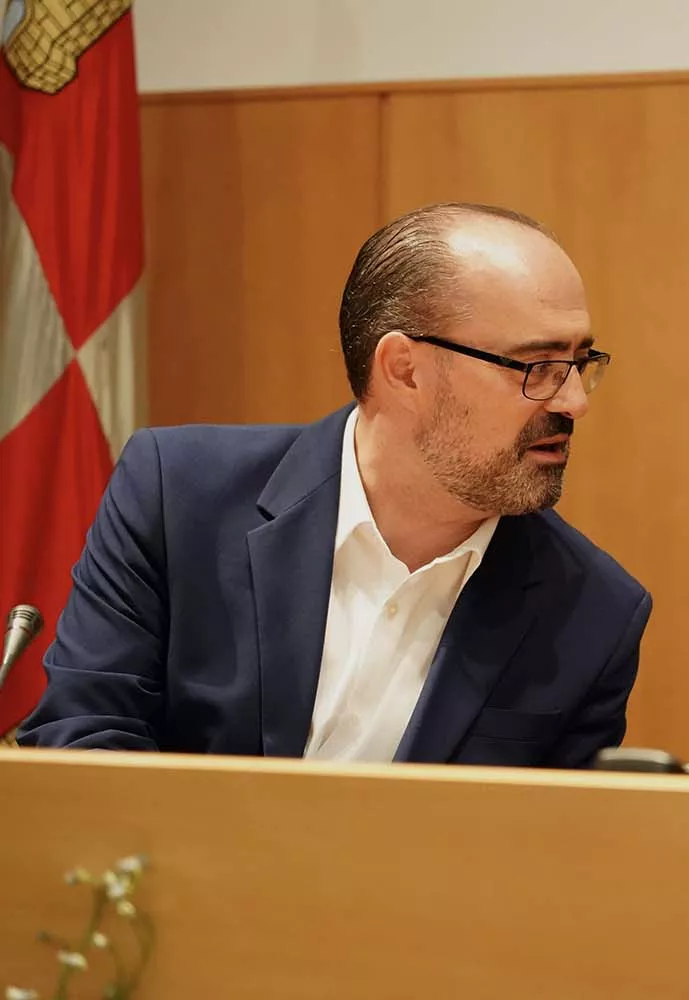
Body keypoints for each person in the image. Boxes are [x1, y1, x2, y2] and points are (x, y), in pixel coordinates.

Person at [21, 203, 650, 768]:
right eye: (539, 366)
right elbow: (84, 745)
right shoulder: (176, 494)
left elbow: (551, 856)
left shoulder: (593, 614)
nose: (574, 401)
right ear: (405, 370)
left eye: (581, 362)